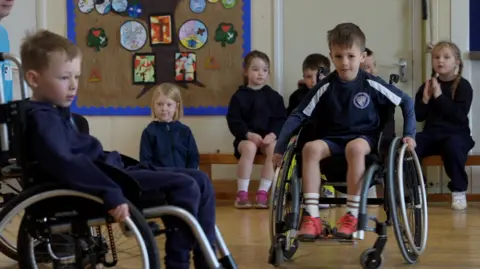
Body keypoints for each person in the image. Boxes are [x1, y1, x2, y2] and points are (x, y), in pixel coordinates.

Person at [21, 29, 215, 269]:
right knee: (187, 185)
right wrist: (110, 191)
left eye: (77, 77)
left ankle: (208, 259)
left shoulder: (55, 113)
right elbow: (67, 163)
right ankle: (178, 263)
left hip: (108, 172)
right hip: (102, 184)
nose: (73, 86)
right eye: (64, 78)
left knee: (201, 180)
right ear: (34, 79)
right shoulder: (43, 119)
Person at [273, 22, 416, 240]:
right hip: (332, 139)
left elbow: (406, 102)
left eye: (350, 56)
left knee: (355, 147)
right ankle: (312, 217)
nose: (345, 62)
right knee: (310, 148)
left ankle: (352, 214)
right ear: (331, 56)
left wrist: (410, 134)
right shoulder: (325, 86)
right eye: (339, 57)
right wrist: (280, 147)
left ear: (362, 56)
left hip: (365, 139)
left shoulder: (371, 83)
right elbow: (298, 115)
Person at [414, 41, 475, 211]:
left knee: (453, 146)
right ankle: (417, 190)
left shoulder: (463, 86)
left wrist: (440, 97)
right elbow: (418, 116)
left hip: (457, 134)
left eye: (446, 57)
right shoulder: (426, 86)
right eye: (436, 57)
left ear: (457, 62)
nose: (440, 61)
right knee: (409, 145)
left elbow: (459, 116)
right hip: (432, 135)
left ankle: (458, 190)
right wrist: (425, 99)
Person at [226, 50, 287, 209]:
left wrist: (273, 134)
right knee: (250, 147)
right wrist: (248, 134)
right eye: (255, 69)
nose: (260, 73)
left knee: (274, 148)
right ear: (246, 71)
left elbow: (281, 119)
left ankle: (262, 193)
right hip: (246, 139)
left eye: (264, 70)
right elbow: (234, 121)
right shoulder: (238, 97)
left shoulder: (274, 97)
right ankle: (242, 194)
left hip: (267, 139)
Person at [139, 83, 199, 169]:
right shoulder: (149, 132)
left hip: (184, 178)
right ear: (153, 105)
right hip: (161, 179)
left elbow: (193, 158)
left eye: (169, 104)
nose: (164, 109)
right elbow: (145, 162)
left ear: (176, 107)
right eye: (159, 104)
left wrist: (189, 175)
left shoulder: (185, 131)